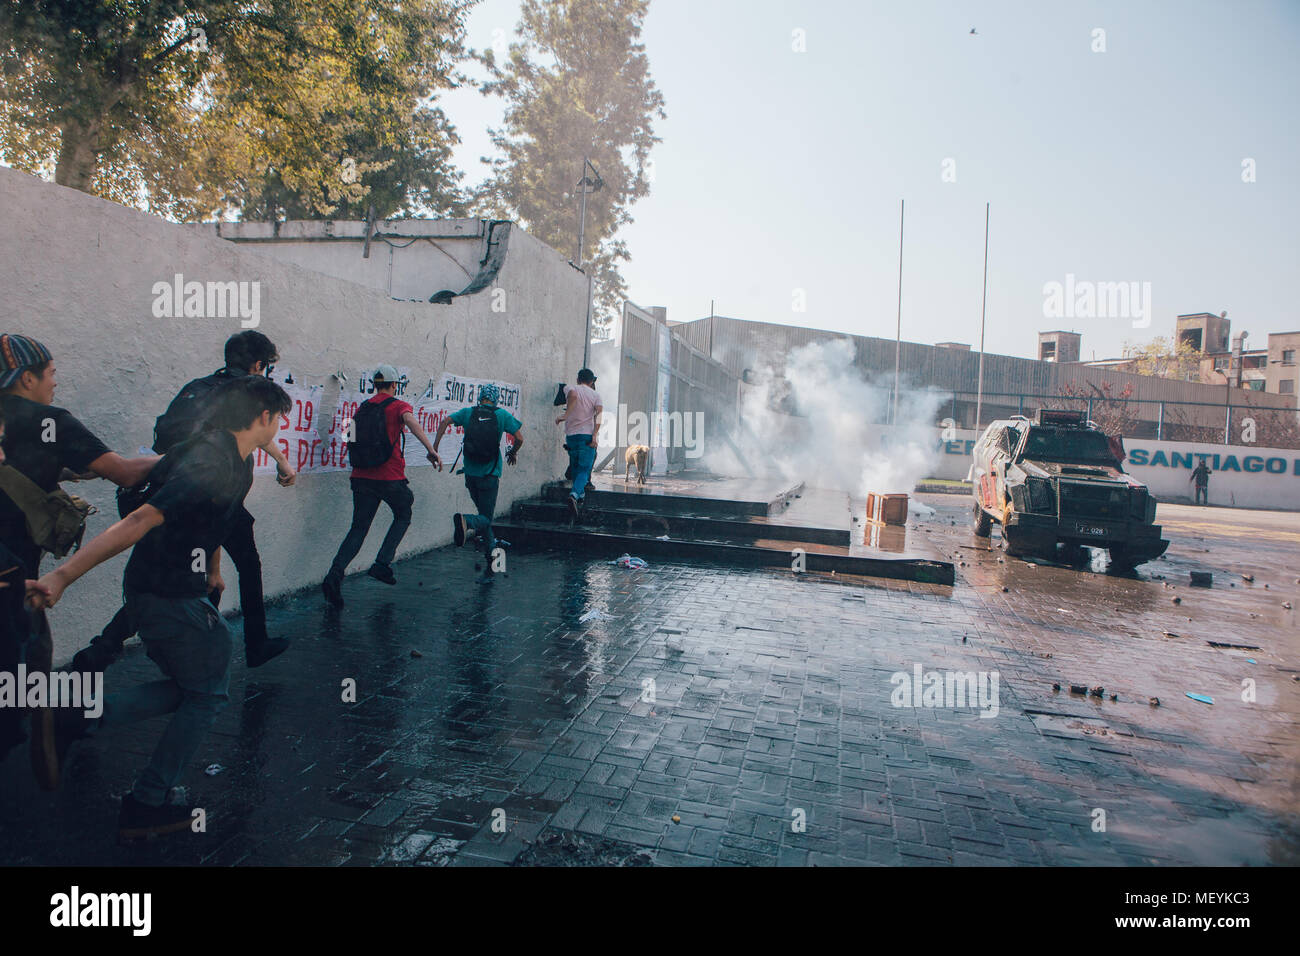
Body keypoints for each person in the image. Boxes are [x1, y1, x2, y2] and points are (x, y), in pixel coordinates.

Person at [25, 375, 293, 838]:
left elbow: (208, 517)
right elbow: (142, 517)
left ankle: (77, 717)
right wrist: (62, 576)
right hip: (166, 594)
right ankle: (145, 801)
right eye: (279, 419)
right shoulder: (212, 461)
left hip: (168, 588)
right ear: (264, 417)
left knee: (197, 688)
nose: (280, 427)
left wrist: (212, 567)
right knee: (207, 693)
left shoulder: (223, 452)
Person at [71, 330, 295, 672]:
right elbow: (215, 495)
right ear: (259, 365)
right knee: (217, 572)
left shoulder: (199, 388)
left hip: (165, 486)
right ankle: (250, 643)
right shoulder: (242, 400)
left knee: (163, 573)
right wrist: (213, 563)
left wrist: (280, 459)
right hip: (198, 495)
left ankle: (106, 647)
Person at [0, 334, 159, 766]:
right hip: (13, 574)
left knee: (34, 643)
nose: (55, 382)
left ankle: (41, 713)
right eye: (50, 374)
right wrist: (178, 458)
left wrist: (65, 471)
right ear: (27, 378)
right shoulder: (50, 419)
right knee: (19, 659)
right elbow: (125, 474)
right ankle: (35, 721)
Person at [321, 365, 438, 607]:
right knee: (404, 512)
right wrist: (431, 449)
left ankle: (334, 574)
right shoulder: (398, 406)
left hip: (361, 477)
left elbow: (348, 440)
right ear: (395, 385)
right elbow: (410, 421)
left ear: (375, 384)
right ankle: (382, 564)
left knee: (359, 528)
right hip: (389, 476)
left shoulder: (363, 408)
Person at [430, 383, 524, 584]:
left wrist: (434, 449)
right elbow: (519, 437)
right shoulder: (501, 415)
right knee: (485, 518)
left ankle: (492, 557)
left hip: (470, 474)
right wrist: (513, 452)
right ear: (496, 398)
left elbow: (445, 421)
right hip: (490, 475)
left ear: (480, 397)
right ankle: (466, 521)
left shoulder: (467, 413)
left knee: (483, 515)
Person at [555, 368, 602, 519]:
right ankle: (574, 495)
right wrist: (595, 435)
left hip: (571, 436)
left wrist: (566, 416)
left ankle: (580, 496)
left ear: (577, 379)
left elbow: (573, 396)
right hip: (586, 436)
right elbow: (599, 415)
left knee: (575, 467)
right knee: (584, 469)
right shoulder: (595, 395)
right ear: (592, 381)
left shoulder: (570, 387)